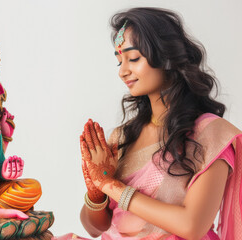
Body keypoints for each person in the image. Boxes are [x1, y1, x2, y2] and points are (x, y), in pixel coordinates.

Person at [78, 7, 242, 240]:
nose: (123, 71)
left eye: (133, 58)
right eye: (119, 62)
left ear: (166, 56)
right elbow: (95, 229)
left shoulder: (211, 135)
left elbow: (192, 226)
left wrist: (110, 185)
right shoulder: (123, 137)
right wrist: (95, 193)